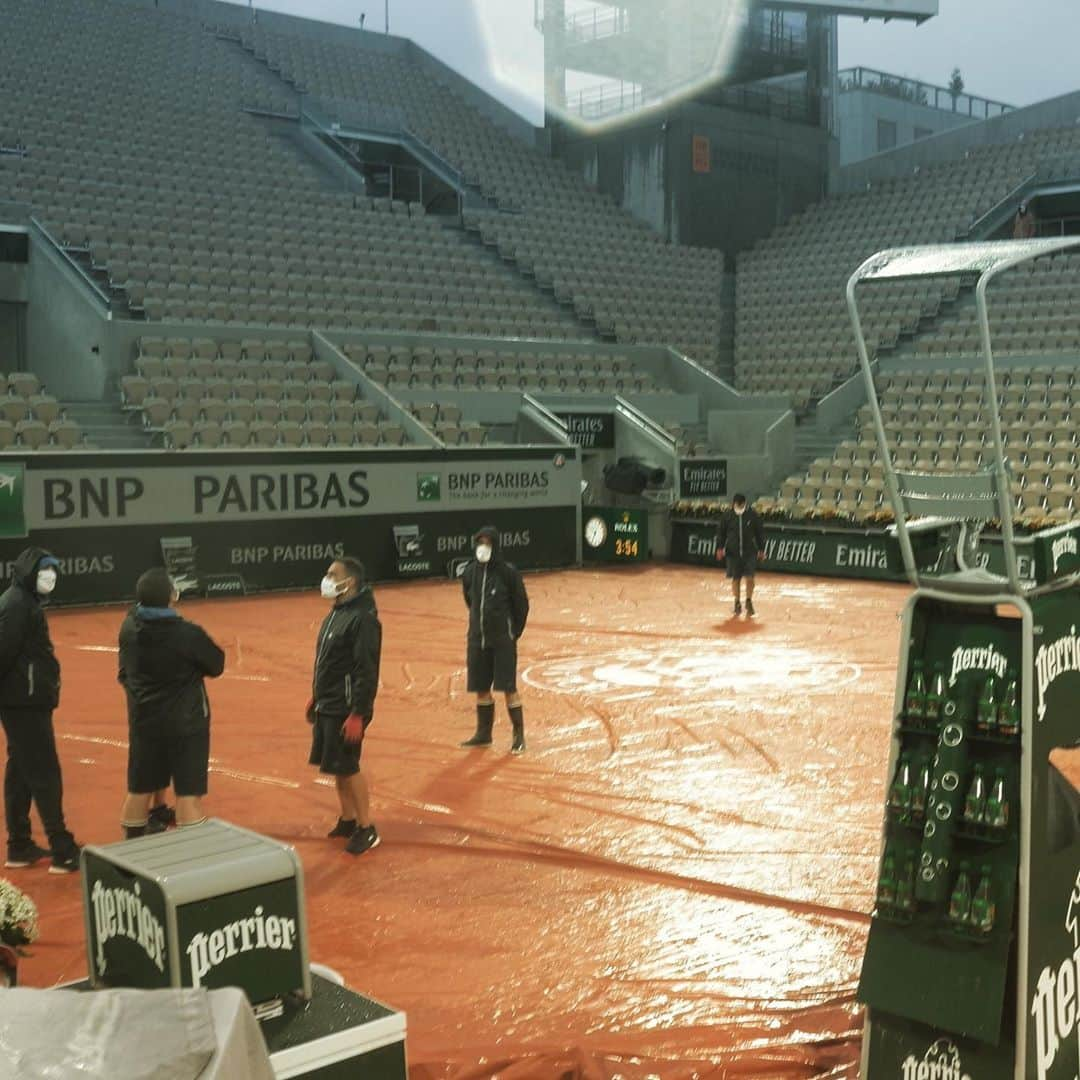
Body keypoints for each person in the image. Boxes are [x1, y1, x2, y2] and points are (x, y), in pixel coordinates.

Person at [117, 568, 225, 838]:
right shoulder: (187, 633)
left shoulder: (129, 628)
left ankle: (131, 855)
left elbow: (124, 673)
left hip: (144, 721)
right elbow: (216, 664)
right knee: (188, 795)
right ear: (171, 596)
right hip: (186, 724)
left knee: (139, 790)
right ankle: (192, 857)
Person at [0, 547, 80, 873]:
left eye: (54, 570)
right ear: (30, 572)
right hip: (23, 702)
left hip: (25, 698)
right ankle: (62, 848)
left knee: (21, 768)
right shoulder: (18, 605)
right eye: (45, 570)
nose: (51, 576)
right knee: (46, 771)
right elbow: (3, 652)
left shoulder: (23, 601)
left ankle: (18, 845)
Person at [308, 557, 381, 856]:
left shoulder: (363, 619)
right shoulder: (336, 613)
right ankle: (348, 819)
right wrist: (317, 695)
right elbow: (328, 662)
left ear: (349, 581)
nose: (325, 578)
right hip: (329, 702)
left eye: (331, 574)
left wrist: (358, 713)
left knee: (349, 767)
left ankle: (367, 827)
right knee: (338, 766)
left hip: (348, 708)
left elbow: (367, 669)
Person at [459, 526, 529, 754]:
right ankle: (483, 734)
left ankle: (518, 736)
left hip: (502, 641)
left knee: (508, 687)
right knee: (481, 686)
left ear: (496, 546)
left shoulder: (508, 573)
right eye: (480, 543)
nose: (483, 548)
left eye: (488, 543)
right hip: (477, 639)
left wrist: (512, 632)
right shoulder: (470, 572)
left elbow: (521, 605)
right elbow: (470, 600)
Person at [715, 494, 766, 617]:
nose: (737, 507)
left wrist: (761, 549)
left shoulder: (752, 515)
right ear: (733, 504)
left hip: (749, 552)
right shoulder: (727, 516)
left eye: (740, 505)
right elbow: (721, 533)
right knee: (735, 578)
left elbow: (759, 533)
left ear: (744, 503)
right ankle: (737, 602)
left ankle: (748, 600)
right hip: (733, 553)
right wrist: (719, 548)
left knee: (750, 577)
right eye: (736, 505)